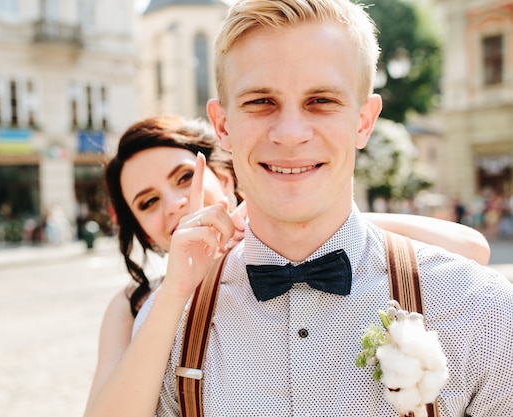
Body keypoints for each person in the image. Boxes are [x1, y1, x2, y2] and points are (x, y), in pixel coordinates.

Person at [131, 1, 513, 416]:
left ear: (364, 121)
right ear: (223, 125)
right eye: (261, 102)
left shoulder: (479, 310)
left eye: (321, 100)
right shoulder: (170, 326)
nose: (291, 134)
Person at [83, 114, 492, 417]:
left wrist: (278, 219)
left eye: (184, 177)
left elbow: (471, 249)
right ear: (140, 228)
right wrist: (175, 291)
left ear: (226, 179)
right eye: (148, 202)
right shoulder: (137, 304)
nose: (173, 203)